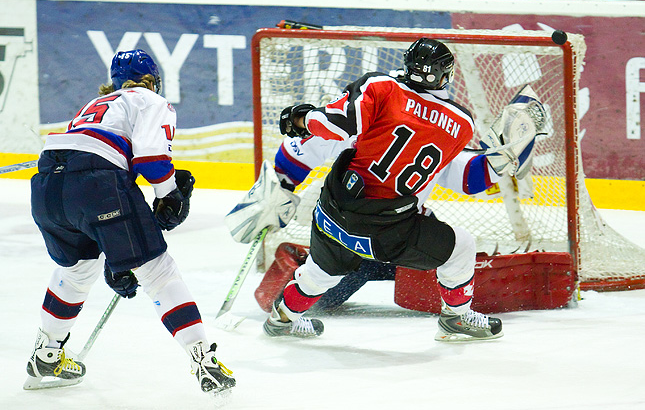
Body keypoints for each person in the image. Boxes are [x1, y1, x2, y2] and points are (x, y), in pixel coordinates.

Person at [262, 38, 512, 341]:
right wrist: (509, 157)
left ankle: (282, 318)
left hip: (334, 214)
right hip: (389, 233)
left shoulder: (379, 88)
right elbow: (470, 179)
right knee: (461, 246)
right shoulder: (460, 123)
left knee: (320, 272)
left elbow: (329, 128)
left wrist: (303, 119)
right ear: (445, 75)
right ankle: (456, 317)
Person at [25, 49, 235, 394]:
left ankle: (46, 354)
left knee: (76, 272)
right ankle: (204, 362)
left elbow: (89, 164)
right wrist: (169, 194)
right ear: (152, 80)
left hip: (48, 185)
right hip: (94, 182)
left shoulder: (94, 106)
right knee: (157, 271)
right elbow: (151, 160)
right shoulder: (149, 100)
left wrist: (118, 255)